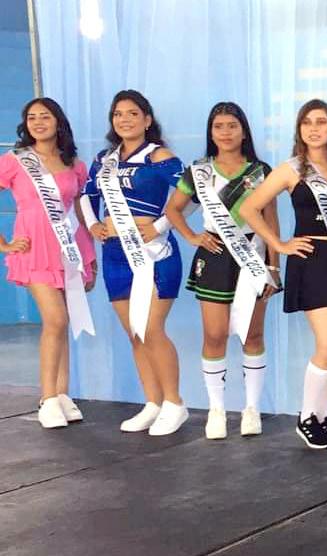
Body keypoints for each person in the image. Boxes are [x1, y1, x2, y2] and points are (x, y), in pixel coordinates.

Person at [238, 99, 327, 450]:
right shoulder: (291, 170)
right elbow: (250, 208)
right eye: (307, 122)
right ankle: (307, 417)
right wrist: (279, 245)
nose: (314, 128)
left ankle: (323, 417)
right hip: (310, 260)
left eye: (321, 122)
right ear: (299, 130)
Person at [165, 102, 278, 439]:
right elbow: (173, 210)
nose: (225, 132)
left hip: (253, 255)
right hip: (214, 256)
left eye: (232, 125)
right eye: (219, 126)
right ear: (210, 133)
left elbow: (271, 220)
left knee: (252, 334)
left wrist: (274, 266)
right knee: (214, 335)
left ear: (244, 131)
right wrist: (192, 236)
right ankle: (217, 409)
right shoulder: (198, 171)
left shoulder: (261, 171)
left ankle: (251, 409)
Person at [82, 90, 188, 435]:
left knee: (152, 329)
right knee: (135, 334)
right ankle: (153, 402)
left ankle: (174, 403)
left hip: (154, 253)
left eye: (132, 113)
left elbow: (192, 195)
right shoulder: (104, 159)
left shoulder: (160, 156)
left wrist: (160, 226)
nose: (124, 119)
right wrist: (94, 224)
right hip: (115, 254)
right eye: (118, 114)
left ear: (147, 119)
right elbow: (86, 196)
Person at [0, 97, 96, 428]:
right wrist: (4, 244)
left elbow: (81, 211)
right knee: (55, 319)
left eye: (45, 116)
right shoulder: (15, 161)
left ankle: (62, 394)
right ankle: (47, 398)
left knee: (63, 322)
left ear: (58, 122)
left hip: (68, 249)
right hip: (33, 249)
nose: (38, 122)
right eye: (32, 117)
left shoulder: (75, 165)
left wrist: (89, 259)